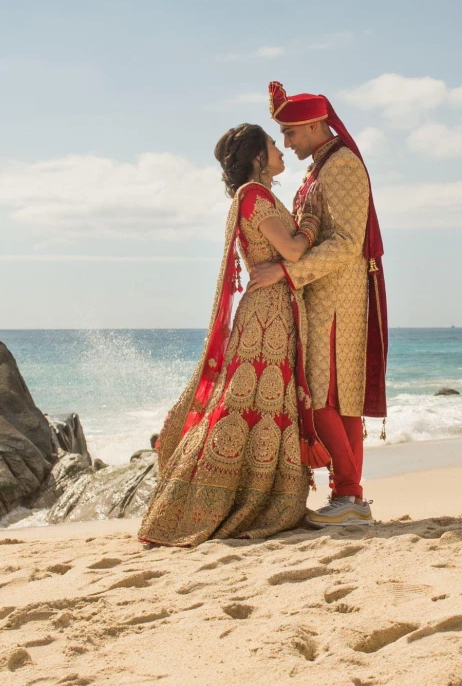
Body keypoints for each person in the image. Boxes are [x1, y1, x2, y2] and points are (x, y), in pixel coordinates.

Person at [138, 123, 329, 546]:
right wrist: (311, 223)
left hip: (276, 310)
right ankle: (203, 505)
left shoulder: (262, 196)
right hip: (266, 316)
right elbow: (294, 251)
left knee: (264, 409)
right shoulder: (254, 196)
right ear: (259, 158)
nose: (281, 149)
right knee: (242, 409)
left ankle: (260, 498)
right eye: (273, 144)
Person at [247, 82, 388, 527]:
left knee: (325, 396)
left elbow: (347, 242)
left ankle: (349, 495)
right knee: (335, 397)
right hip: (321, 297)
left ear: (312, 124)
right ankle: (349, 497)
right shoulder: (321, 169)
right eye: (281, 137)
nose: (286, 143)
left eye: (290, 133)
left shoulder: (342, 166)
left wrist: (287, 273)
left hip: (336, 299)